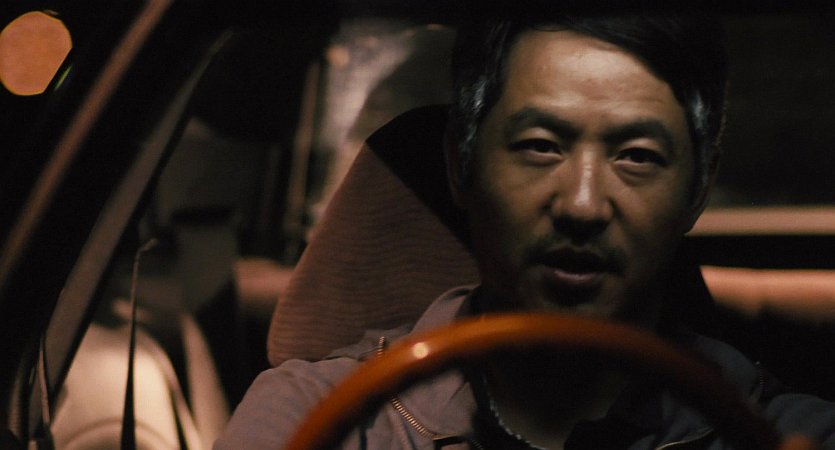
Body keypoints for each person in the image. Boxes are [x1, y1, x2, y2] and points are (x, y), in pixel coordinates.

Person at [215, 12, 835, 450]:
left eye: (636, 156)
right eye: (541, 146)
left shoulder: (787, 434)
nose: (583, 205)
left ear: (698, 188)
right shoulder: (317, 420)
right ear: (461, 165)